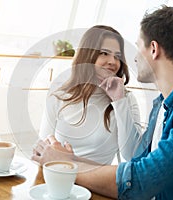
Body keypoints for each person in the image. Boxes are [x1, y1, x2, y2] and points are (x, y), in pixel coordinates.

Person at [32, 6, 173, 200]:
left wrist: (65, 167)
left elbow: (140, 182)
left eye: (137, 48)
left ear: (153, 49)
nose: (133, 59)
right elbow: (138, 164)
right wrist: (65, 161)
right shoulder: (162, 105)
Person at [38, 25, 142, 165]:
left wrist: (119, 101)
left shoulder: (126, 100)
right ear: (87, 55)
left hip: (98, 184)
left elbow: (132, 155)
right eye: (104, 53)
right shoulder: (60, 94)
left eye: (117, 56)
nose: (112, 61)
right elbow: (43, 148)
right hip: (59, 176)